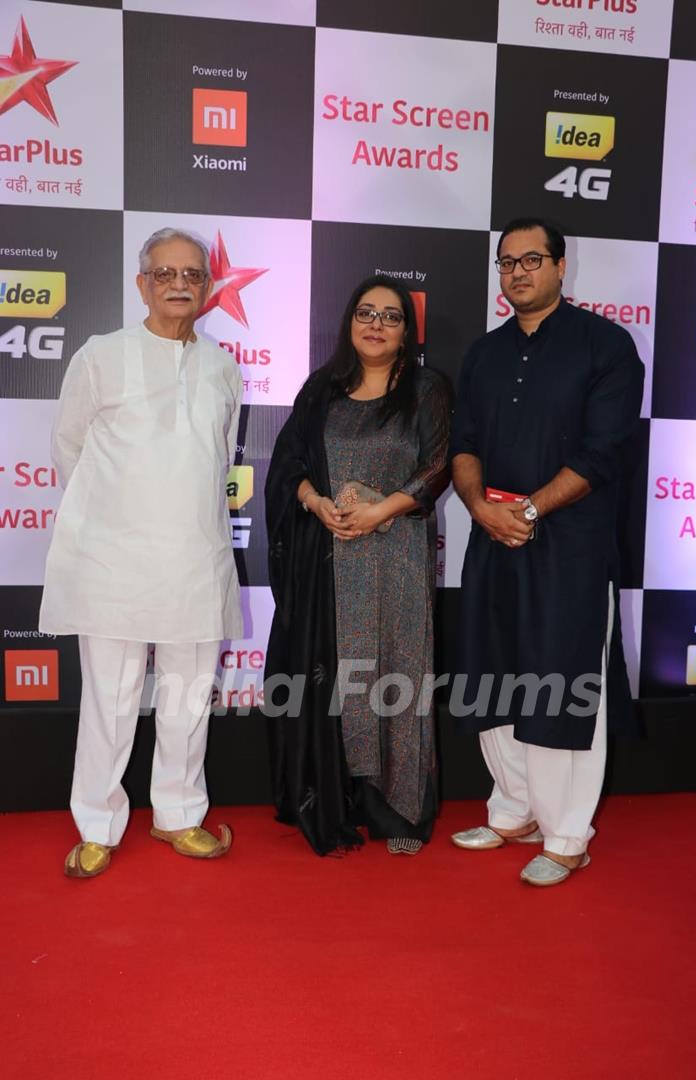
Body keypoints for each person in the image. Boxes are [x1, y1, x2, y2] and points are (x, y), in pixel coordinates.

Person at [39, 227, 242, 878]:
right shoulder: (102, 355)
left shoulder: (222, 366)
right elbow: (68, 446)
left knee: (187, 698)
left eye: (191, 273)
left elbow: (219, 458)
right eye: (164, 273)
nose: (179, 284)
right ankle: (96, 825)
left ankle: (179, 815)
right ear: (142, 283)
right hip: (114, 565)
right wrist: (113, 521)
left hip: (195, 560)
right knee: (110, 700)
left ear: (207, 287)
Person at [449, 218, 644, 886]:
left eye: (532, 260)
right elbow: (463, 443)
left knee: (562, 683)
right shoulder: (483, 353)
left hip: (571, 545)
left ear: (561, 266)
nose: (518, 273)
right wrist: (482, 510)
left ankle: (566, 836)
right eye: (507, 262)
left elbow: (603, 452)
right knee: (493, 672)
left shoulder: (606, 346)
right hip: (491, 533)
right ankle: (514, 812)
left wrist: (527, 510)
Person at [265, 274, 451, 856]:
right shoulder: (321, 390)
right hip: (329, 558)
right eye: (365, 312)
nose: (376, 324)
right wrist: (316, 503)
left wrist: (380, 511)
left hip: (395, 553)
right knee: (338, 675)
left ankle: (395, 807)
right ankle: (334, 794)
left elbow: (437, 465)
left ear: (406, 330)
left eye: (390, 316)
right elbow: (289, 465)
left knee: (397, 671)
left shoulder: (425, 388)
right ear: (349, 322)